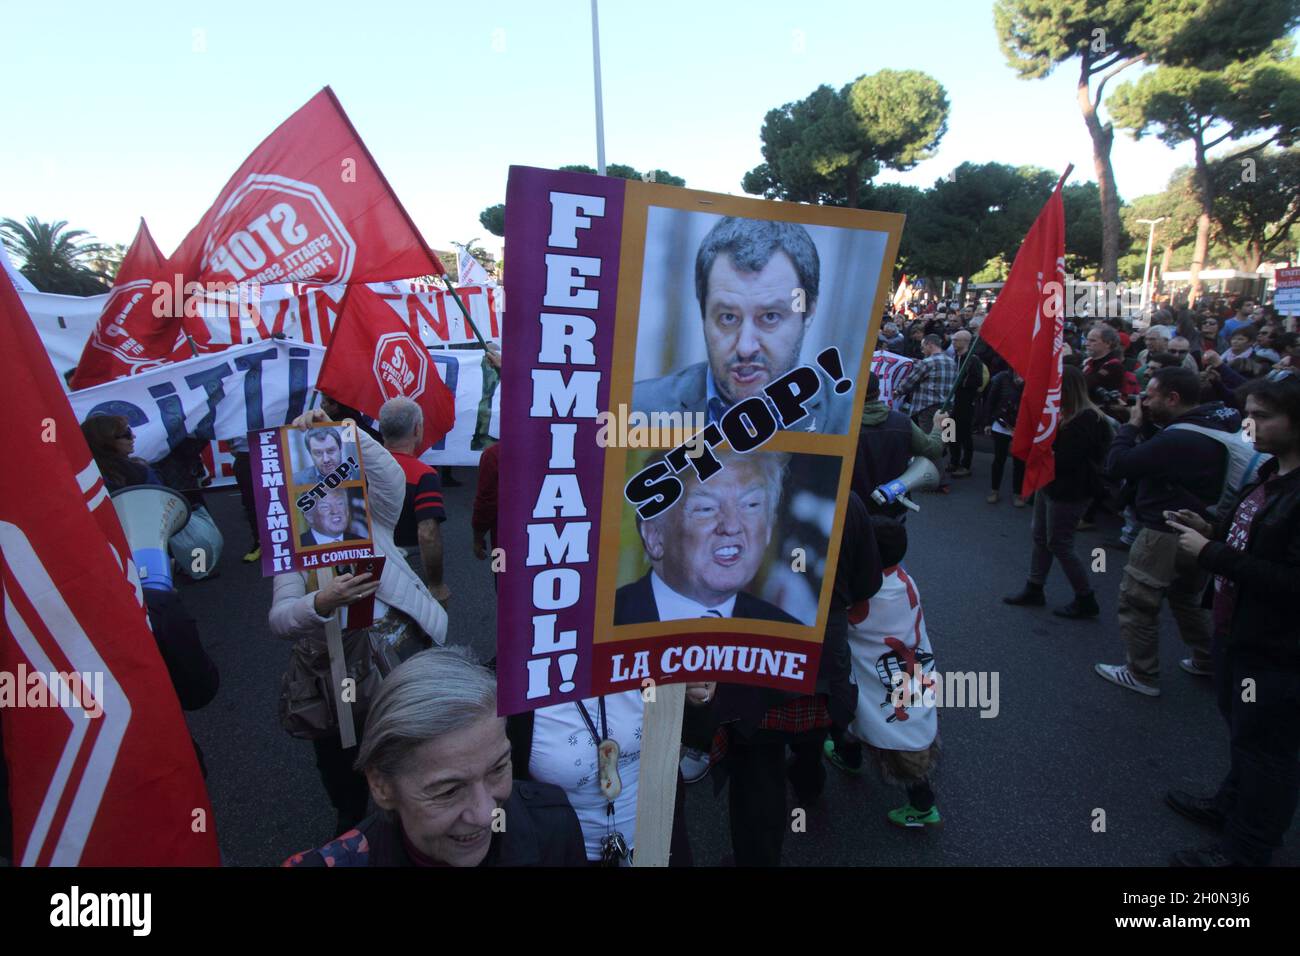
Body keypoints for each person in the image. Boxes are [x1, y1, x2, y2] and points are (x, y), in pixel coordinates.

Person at [270, 407, 449, 833]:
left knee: (409, 740)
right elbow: (278, 620)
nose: (330, 506)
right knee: (341, 755)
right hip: (336, 672)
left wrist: (347, 433)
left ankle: (414, 812)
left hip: (400, 654)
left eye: (336, 496)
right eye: (316, 498)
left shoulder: (374, 522)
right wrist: (321, 602)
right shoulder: (294, 553)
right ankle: (351, 822)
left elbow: (387, 475)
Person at [1163, 376, 1300, 867]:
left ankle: (1247, 851)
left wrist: (1212, 553)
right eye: (1250, 413)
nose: (1251, 425)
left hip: (1275, 648)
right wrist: (1212, 529)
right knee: (1244, 734)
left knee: (1268, 751)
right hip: (1238, 630)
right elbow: (1253, 538)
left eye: (1264, 416)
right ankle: (1229, 806)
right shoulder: (1272, 473)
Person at [284, 648, 587, 866]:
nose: (485, 814)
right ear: (381, 785)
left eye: (498, 768)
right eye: (449, 790)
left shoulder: (555, 826)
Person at [1094, 366, 1240, 696]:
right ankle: (1208, 658)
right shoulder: (1213, 423)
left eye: (1151, 395)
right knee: (1185, 598)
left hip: (1163, 529)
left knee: (1138, 598)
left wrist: (1130, 427)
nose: (1144, 400)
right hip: (1199, 529)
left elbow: (1117, 465)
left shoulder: (1178, 438)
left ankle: (1141, 672)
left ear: (1173, 398)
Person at [631, 217, 851, 433]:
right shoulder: (638, 411)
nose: (745, 348)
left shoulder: (848, 421)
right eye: (728, 317)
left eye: (770, 317)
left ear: (809, 312)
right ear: (703, 312)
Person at [831, 516, 942, 829]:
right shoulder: (902, 579)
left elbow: (842, 620)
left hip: (880, 678)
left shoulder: (867, 593)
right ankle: (849, 754)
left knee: (888, 733)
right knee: (872, 719)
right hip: (908, 669)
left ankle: (923, 806)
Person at [506, 688, 692, 866]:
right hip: (567, 849)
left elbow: (698, 733)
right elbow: (500, 790)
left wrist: (701, 700)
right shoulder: (509, 683)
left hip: (661, 831)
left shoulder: (647, 657)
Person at [1002, 367, 1112, 619]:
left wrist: (1042, 449)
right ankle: (1034, 586)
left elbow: (1068, 461)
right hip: (1049, 484)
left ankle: (1085, 597)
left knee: (1060, 543)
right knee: (1040, 536)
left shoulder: (1088, 420)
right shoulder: (1063, 414)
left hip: (1070, 489)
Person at [378, 397, 450, 605]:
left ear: (382, 428)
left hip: (366, 562)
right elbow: (428, 534)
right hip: (408, 564)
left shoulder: (359, 466)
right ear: (418, 429)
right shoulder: (424, 475)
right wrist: (436, 584)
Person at [851, 372, 946, 518]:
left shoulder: (842, 426)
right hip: (893, 506)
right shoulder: (902, 421)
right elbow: (934, 450)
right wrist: (939, 427)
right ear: (878, 392)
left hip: (853, 508)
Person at [81, 415, 162, 491]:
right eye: (127, 433)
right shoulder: (87, 478)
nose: (133, 436)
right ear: (107, 441)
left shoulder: (140, 469)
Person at [896, 334, 957, 435]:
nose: (922, 350)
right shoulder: (952, 362)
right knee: (945, 437)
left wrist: (897, 391)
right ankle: (944, 451)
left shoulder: (927, 362)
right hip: (947, 407)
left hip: (928, 408)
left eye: (922, 346)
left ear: (929, 345)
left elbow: (909, 382)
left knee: (928, 440)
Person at [981, 369, 1026, 505]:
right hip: (1001, 424)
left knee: (1020, 461)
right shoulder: (1002, 377)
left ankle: (1018, 493)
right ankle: (994, 490)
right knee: (999, 459)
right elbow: (991, 400)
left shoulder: (1032, 379)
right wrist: (988, 422)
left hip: (1022, 426)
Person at [945, 329, 984, 478]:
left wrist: (959, 382)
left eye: (956, 340)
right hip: (951, 403)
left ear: (965, 341)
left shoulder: (973, 359)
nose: (953, 342)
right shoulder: (953, 358)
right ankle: (953, 460)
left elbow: (977, 381)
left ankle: (965, 464)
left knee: (965, 434)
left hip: (965, 403)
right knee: (950, 432)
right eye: (953, 340)